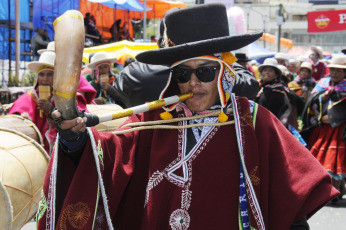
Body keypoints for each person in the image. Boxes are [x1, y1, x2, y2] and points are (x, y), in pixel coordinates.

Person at [38, 4, 338, 229]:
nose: (194, 82)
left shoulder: (253, 120)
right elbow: (109, 158)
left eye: (205, 72)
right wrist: (74, 138)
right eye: (184, 73)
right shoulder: (154, 119)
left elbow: (291, 197)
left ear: (224, 72)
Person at [113, 8, 260, 108]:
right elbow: (249, 85)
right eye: (181, 74)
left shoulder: (133, 73)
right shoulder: (229, 77)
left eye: (205, 71)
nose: (193, 83)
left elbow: (118, 94)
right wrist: (225, 54)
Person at [9, 51, 96, 154]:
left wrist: (51, 109)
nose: (45, 79)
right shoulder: (29, 97)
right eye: (41, 74)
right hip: (33, 152)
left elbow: (80, 121)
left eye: (50, 74)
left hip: (63, 152)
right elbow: (15, 117)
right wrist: (22, 119)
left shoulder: (68, 97)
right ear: (37, 77)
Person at [302, 54, 346, 203]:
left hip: (340, 130)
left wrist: (336, 115)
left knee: (336, 160)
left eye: (339, 70)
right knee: (319, 160)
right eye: (333, 69)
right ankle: (325, 192)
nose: (335, 73)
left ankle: (336, 191)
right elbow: (311, 101)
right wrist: (323, 98)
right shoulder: (322, 84)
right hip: (321, 128)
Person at [256, 58, 305, 131]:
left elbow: (284, 111)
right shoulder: (259, 88)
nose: (267, 72)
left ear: (276, 75)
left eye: (270, 71)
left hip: (274, 127)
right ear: (261, 73)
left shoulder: (279, 91)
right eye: (265, 70)